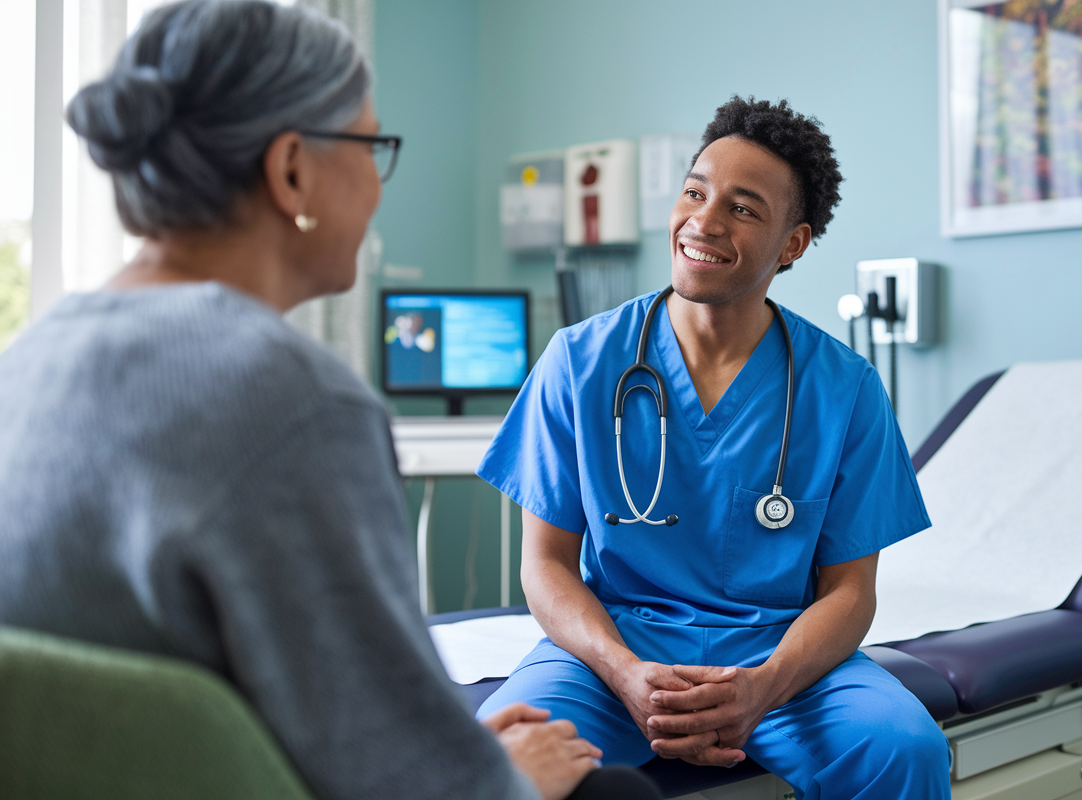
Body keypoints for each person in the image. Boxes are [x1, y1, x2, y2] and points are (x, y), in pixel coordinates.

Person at [0, 3, 659, 799]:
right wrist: (491, 773)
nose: (379, 187)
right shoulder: (293, 403)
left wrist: (446, 746)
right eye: (372, 146)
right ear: (291, 171)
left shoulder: (31, 357)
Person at [476, 96, 951, 798]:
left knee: (904, 749)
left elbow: (850, 593)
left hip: (781, 660)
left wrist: (764, 686)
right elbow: (545, 566)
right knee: (497, 758)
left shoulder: (844, 388)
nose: (703, 220)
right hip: (613, 653)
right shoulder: (578, 361)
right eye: (695, 192)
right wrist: (621, 670)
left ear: (792, 244)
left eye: (744, 208)